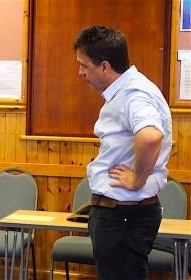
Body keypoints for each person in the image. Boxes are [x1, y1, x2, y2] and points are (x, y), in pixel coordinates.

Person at [73, 26, 172, 280]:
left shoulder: (133, 94)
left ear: (105, 66)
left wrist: (137, 178)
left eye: (84, 65)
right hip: (119, 214)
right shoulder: (127, 91)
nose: (80, 72)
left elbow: (150, 136)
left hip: (124, 215)